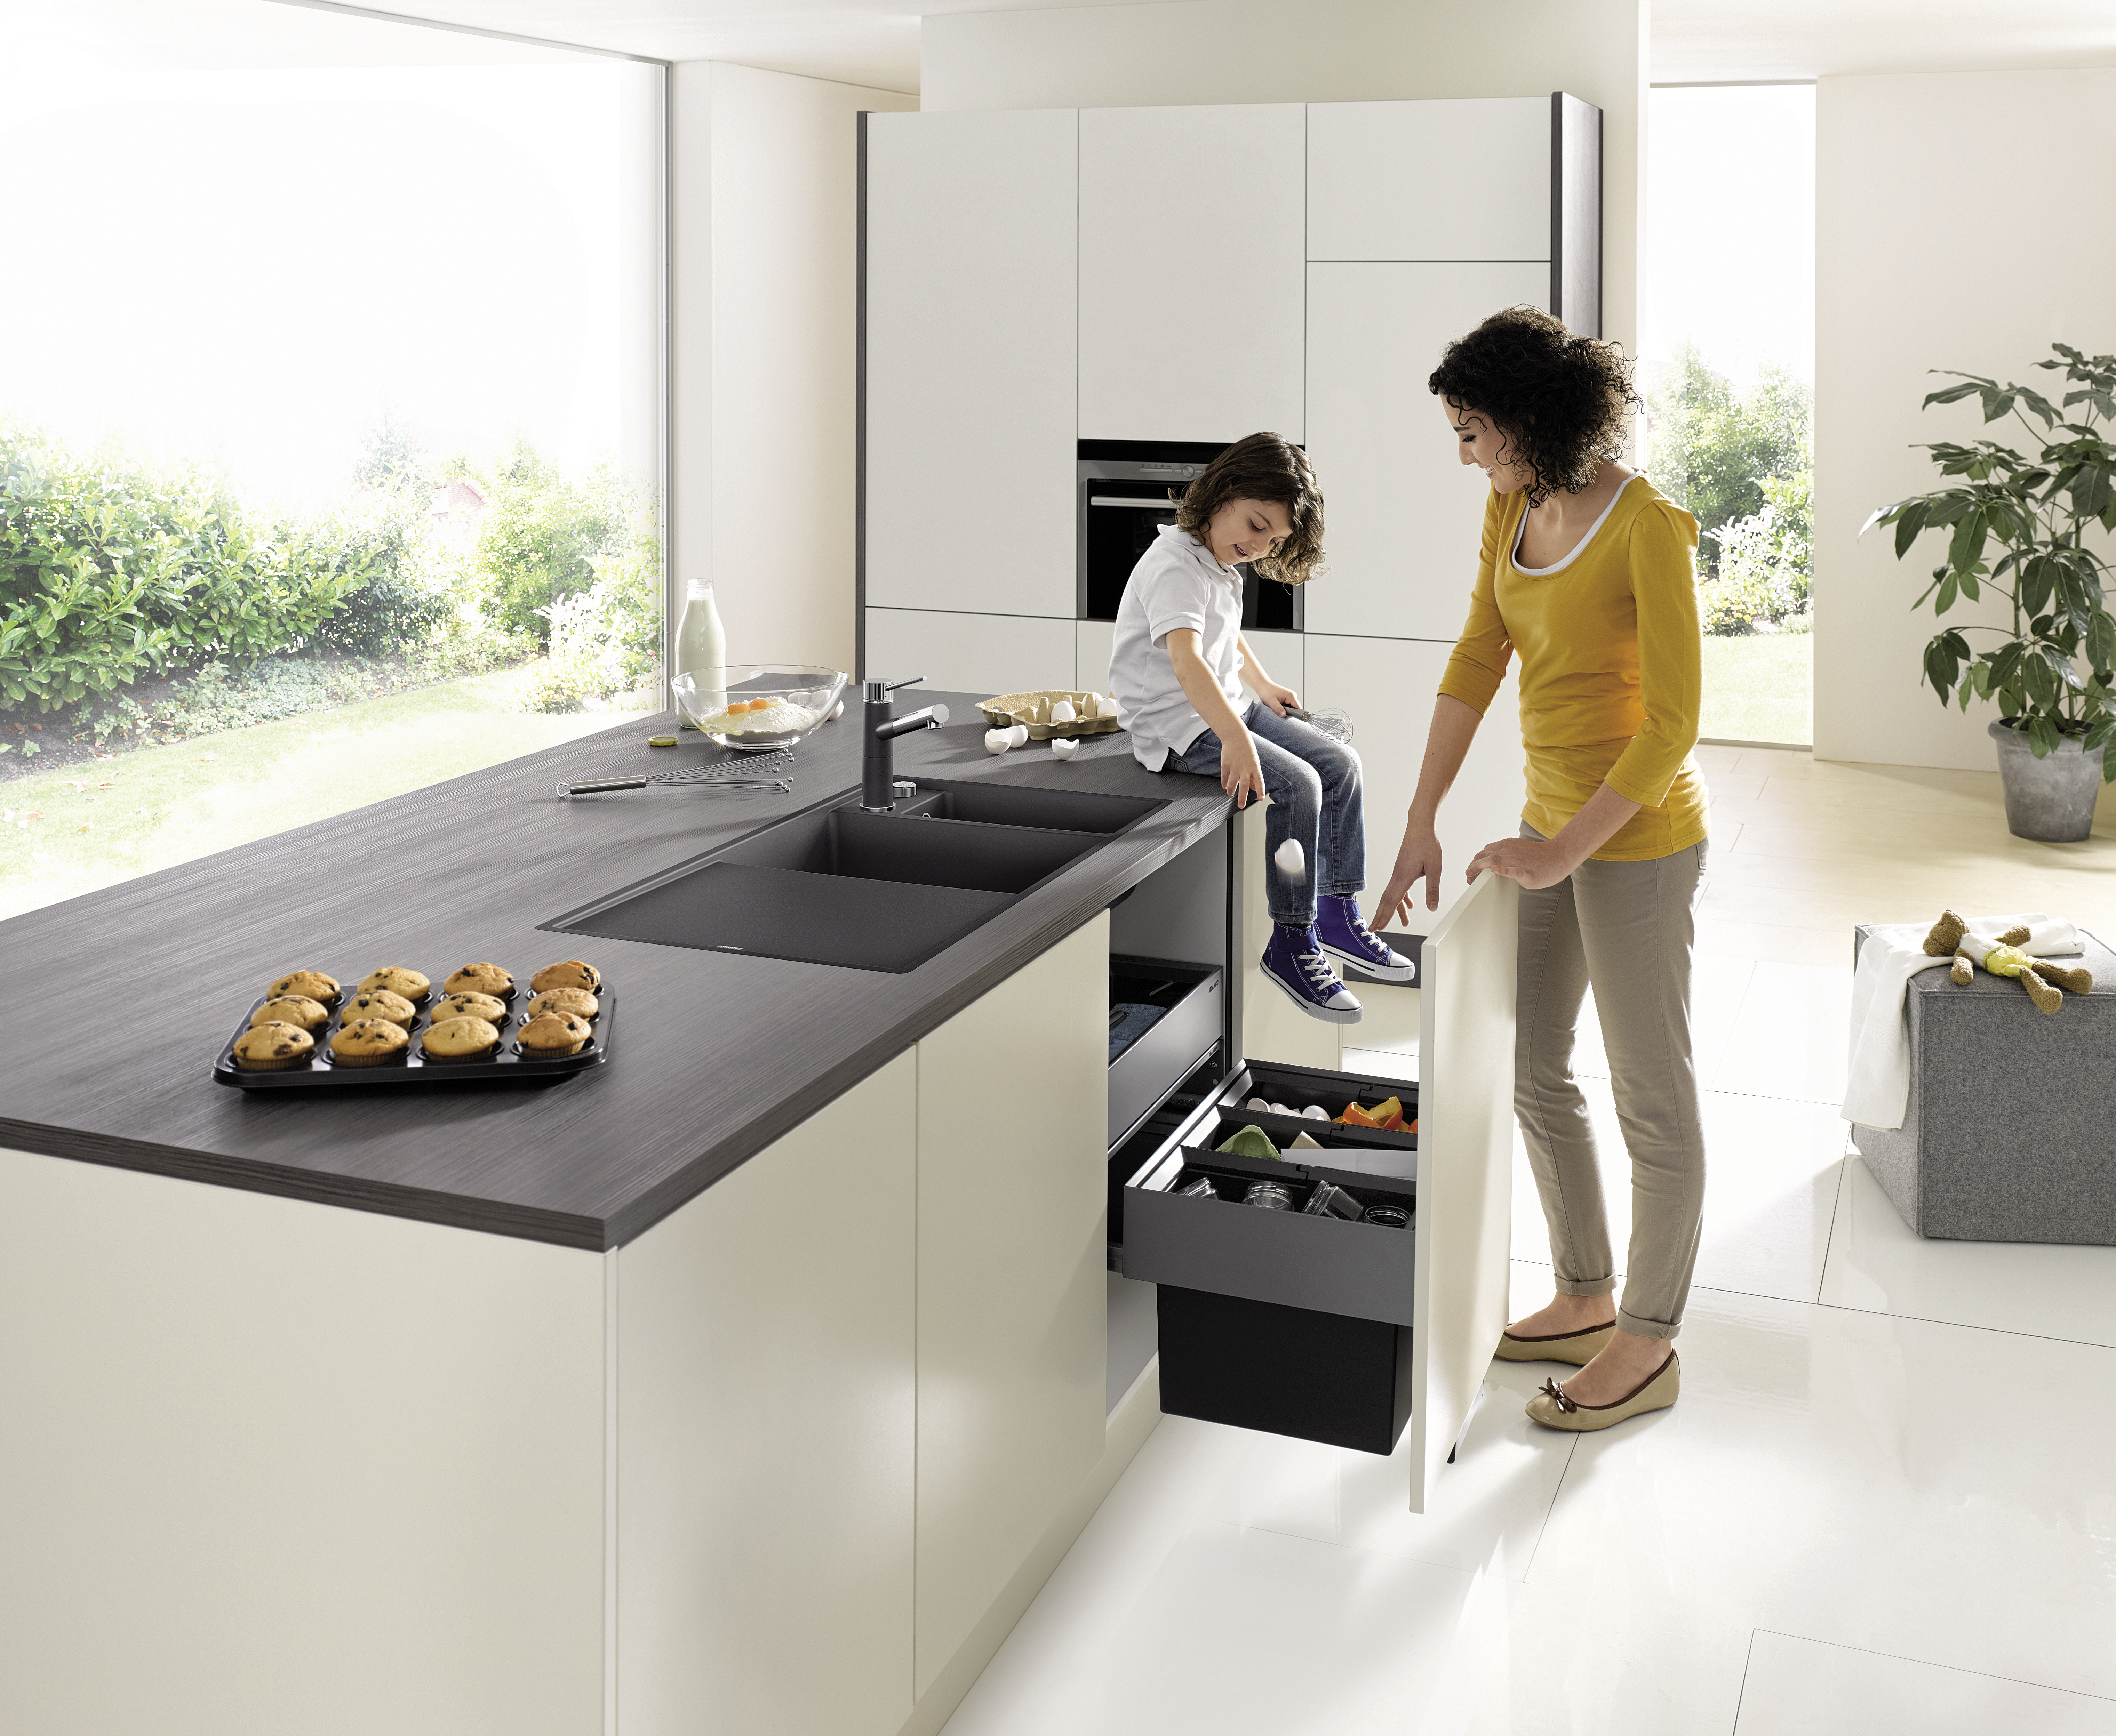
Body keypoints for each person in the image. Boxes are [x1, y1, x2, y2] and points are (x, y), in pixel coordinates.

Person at [1375, 307, 1708, 1432]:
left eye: (1473, 431)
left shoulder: (1647, 526)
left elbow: (1671, 727)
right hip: (1549, 826)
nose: (1464, 453)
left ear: (1530, 417)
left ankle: (1648, 1340)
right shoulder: (1511, 503)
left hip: (1637, 841)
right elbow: (1481, 648)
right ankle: (1583, 1289)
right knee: (1528, 1060)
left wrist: (1565, 850)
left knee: (1648, 1093)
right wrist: (1421, 816)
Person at [1110, 431, 1414, 1021]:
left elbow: (1225, 638)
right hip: (1176, 727)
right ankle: (1291, 938)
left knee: (1341, 765)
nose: (1257, 545)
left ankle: (1334, 911)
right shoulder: (1175, 566)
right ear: (1221, 494)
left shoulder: (1216, 559)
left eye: (1271, 539)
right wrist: (1234, 737)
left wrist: (1262, 685)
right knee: (1299, 785)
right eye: (1254, 525)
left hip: (1220, 704)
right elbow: (1187, 659)